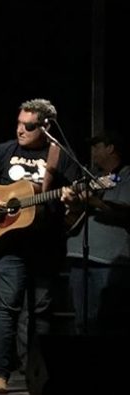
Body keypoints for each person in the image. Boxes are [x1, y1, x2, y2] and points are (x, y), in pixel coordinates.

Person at [0, 98, 75, 394]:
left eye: (29, 126)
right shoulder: (5, 151)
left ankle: (42, 375)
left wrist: (74, 197)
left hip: (45, 244)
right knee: (5, 308)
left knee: (41, 311)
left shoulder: (58, 155)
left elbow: (76, 192)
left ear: (46, 127)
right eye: (19, 123)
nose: (21, 130)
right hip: (7, 245)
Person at [62, 130, 130, 336]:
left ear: (111, 148)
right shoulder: (90, 178)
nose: (92, 151)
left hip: (110, 262)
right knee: (81, 321)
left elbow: (125, 211)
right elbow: (69, 221)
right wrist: (72, 204)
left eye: (96, 146)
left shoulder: (126, 176)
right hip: (78, 257)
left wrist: (94, 201)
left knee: (107, 321)